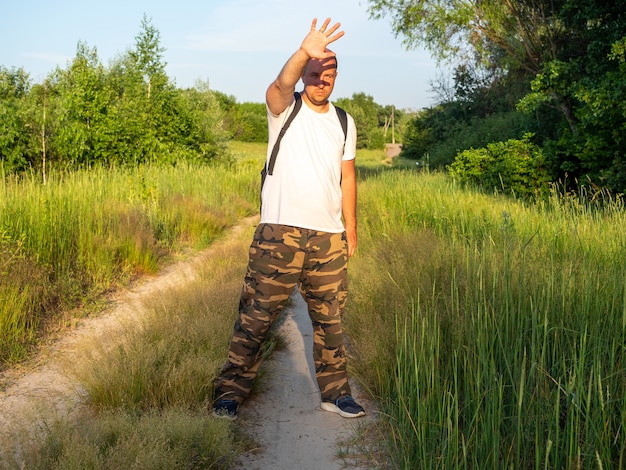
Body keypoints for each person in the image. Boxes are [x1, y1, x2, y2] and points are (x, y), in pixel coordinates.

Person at [212, 17, 364, 420]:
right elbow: (280, 86)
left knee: (331, 322)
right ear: (305, 74)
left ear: (335, 77)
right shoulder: (285, 107)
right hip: (279, 233)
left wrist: (351, 228)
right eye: (312, 73)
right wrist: (302, 52)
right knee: (256, 318)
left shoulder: (345, 122)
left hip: (328, 238)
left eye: (326, 74)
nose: (319, 80)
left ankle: (336, 394)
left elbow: (347, 176)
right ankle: (229, 394)